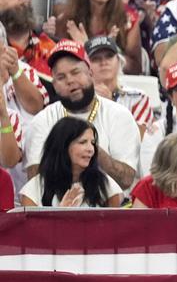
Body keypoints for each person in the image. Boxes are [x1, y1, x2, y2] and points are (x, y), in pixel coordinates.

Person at [24, 41, 139, 189]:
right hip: (58, 208)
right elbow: (34, 180)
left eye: (75, 72)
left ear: (90, 74)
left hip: (111, 208)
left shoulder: (119, 115)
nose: (70, 80)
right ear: (54, 85)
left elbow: (126, 180)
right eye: (61, 77)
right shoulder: (43, 120)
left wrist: (91, 149)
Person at [19, 117, 122, 208]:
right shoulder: (33, 191)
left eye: (92, 143)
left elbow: (113, 227)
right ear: (62, 146)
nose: (91, 149)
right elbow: (31, 229)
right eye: (82, 142)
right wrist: (60, 215)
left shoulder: (106, 186)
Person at [85, 36, 150, 136]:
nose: (104, 62)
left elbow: (138, 139)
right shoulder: (81, 100)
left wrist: (109, 105)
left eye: (109, 56)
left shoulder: (138, 97)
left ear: (119, 61)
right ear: (86, 66)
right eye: (96, 59)